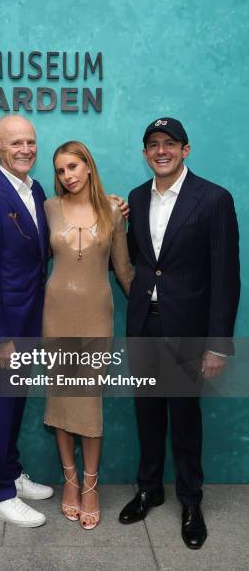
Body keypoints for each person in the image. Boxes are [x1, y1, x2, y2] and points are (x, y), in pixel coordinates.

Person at [119, 118, 240, 549]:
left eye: (169, 143)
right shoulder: (136, 197)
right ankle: (149, 489)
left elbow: (226, 276)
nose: (161, 150)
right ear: (145, 153)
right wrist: (115, 224)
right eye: (153, 144)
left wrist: (217, 344)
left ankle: (191, 501)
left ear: (185, 150)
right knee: (147, 415)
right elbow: (134, 261)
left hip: (190, 330)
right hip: (144, 327)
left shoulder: (213, 199)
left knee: (185, 420)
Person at [0, 115, 53, 528]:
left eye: (30, 142)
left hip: (29, 320)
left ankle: (11, 473)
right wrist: (1, 338)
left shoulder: (34, 190)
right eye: (15, 142)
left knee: (14, 404)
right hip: (6, 330)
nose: (25, 149)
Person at [43, 141, 134, 529]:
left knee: (88, 402)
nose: (68, 176)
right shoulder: (48, 208)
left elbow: (125, 270)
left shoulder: (113, 210)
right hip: (55, 317)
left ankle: (91, 486)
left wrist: (160, 310)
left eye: (74, 167)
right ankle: (70, 481)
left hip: (96, 318)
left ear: (89, 167)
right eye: (61, 170)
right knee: (62, 401)